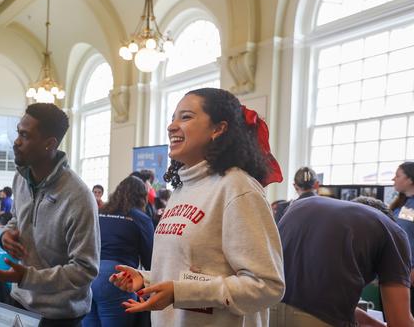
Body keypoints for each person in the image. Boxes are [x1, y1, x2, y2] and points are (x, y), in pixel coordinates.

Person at [110, 88, 285, 326]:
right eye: (172, 118)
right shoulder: (182, 189)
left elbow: (267, 285)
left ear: (218, 129)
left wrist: (180, 293)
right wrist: (147, 279)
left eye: (186, 117)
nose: (172, 126)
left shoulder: (237, 188)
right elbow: (189, 272)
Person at [0, 103, 100, 326]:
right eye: (18, 132)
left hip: (58, 315)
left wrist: (27, 277)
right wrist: (5, 236)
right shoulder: (21, 178)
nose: (17, 142)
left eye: (25, 136)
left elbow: (86, 269)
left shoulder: (78, 197)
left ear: (50, 144)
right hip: (20, 301)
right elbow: (16, 220)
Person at [274, 195, 413, 326]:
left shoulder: (302, 205)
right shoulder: (394, 231)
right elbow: (400, 322)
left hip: (266, 310)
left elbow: (311, 302)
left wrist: (374, 323)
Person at [84, 176, 153, 327]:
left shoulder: (99, 213)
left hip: (88, 275)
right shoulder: (141, 218)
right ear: (141, 196)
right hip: (117, 278)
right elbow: (150, 260)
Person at [389, 161, 414, 315]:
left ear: (410, 179)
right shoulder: (399, 205)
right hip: (395, 271)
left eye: (398, 176)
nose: (393, 179)